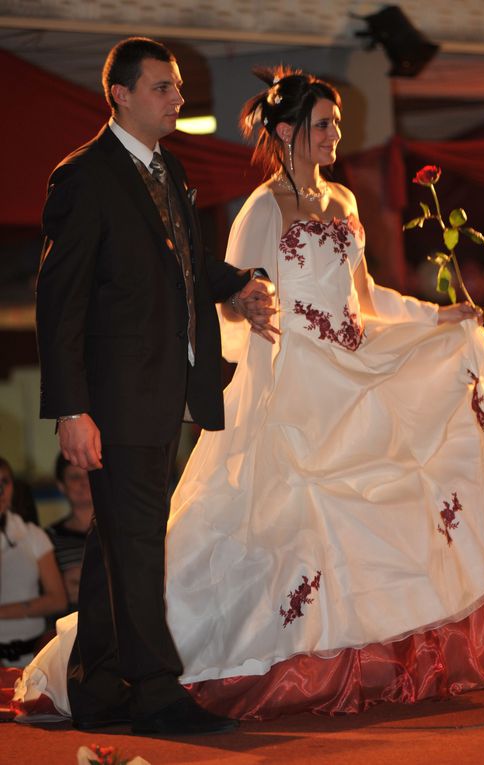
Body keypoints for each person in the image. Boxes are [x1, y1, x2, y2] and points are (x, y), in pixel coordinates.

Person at [17, 66, 484, 721]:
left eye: (336, 123)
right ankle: (137, 669)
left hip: (353, 369)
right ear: (285, 131)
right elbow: (229, 301)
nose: (335, 134)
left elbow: (365, 301)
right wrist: (253, 313)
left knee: (424, 434)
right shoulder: (262, 208)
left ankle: (357, 666)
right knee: (263, 533)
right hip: (291, 382)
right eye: (324, 123)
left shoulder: (347, 203)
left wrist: (434, 316)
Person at [32, 38, 276, 735]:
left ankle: (100, 684)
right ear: (121, 95)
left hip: (164, 387)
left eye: (176, 87)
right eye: (163, 88)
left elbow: (186, 260)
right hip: (112, 397)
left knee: (120, 540)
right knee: (137, 538)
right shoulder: (84, 175)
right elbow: (61, 299)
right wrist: (72, 407)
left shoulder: (167, 169)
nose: (177, 98)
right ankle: (156, 689)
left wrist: (239, 283)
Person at [0, 457, 67, 667]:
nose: (1, 490)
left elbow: (57, 599)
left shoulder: (33, 535)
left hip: (32, 658)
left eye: (5, 481)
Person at [46, 454, 93, 615]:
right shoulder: (49, 537)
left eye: (89, 475)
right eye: (74, 477)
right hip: (70, 620)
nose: (84, 483)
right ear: (61, 485)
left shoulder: (118, 530)